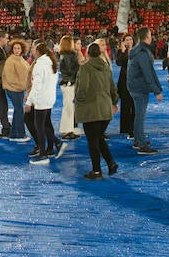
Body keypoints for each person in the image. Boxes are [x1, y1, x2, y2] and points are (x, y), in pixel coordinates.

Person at [73, 39, 119, 179]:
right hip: (105, 108)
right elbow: (112, 87)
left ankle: (97, 171)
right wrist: (114, 102)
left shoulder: (85, 68)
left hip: (90, 109)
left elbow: (83, 88)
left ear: (87, 54)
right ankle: (110, 163)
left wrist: (77, 99)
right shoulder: (106, 66)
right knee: (98, 138)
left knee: (93, 141)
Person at [125, 26, 163, 154]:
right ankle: (141, 144)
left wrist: (157, 88)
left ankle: (138, 139)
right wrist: (157, 90)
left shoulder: (137, 50)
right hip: (139, 87)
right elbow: (148, 73)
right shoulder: (142, 52)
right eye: (150, 35)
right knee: (140, 115)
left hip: (134, 86)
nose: (151, 37)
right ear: (147, 37)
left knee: (138, 115)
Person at [28, 41, 59, 162]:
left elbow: (37, 85)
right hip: (49, 97)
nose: (33, 52)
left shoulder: (39, 65)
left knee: (39, 125)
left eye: (35, 50)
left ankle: (44, 152)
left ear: (38, 52)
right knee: (45, 123)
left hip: (41, 98)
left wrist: (29, 101)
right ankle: (53, 146)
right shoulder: (51, 62)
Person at [2, 39, 31, 142]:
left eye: (18, 48)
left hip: (19, 89)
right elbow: (10, 78)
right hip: (14, 89)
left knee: (18, 110)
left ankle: (14, 134)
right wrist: (23, 86)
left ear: (22, 49)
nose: (17, 50)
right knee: (19, 110)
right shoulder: (10, 60)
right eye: (15, 48)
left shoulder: (21, 59)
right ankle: (20, 135)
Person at [56, 35, 83, 141]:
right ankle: (67, 130)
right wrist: (79, 66)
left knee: (69, 107)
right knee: (68, 108)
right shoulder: (68, 55)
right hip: (69, 83)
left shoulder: (65, 55)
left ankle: (68, 129)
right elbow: (70, 70)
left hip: (68, 82)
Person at [115, 33, 136, 138]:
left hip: (135, 81)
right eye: (126, 40)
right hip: (124, 82)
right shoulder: (121, 52)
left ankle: (134, 128)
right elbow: (119, 62)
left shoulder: (137, 50)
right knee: (125, 106)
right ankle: (125, 129)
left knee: (135, 106)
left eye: (130, 39)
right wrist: (123, 50)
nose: (129, 41)